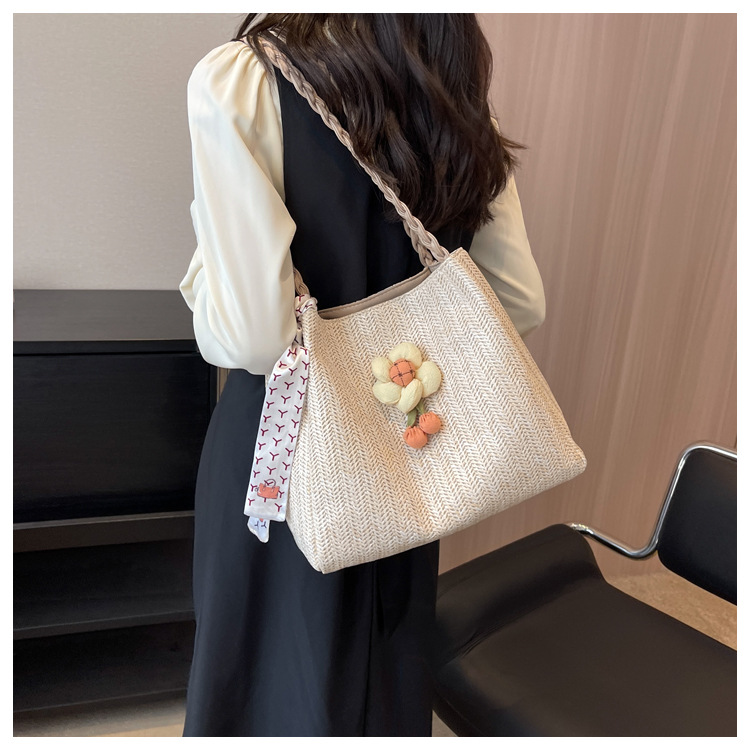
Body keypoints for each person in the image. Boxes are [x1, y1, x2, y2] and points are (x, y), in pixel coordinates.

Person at [178, 13, 546, 737]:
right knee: (383, 659)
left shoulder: (242, 81)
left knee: (264, 673)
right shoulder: (455, 93)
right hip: (406, 436)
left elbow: (254, 336)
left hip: (281, 442)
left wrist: (200, 282)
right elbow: (519, 301)